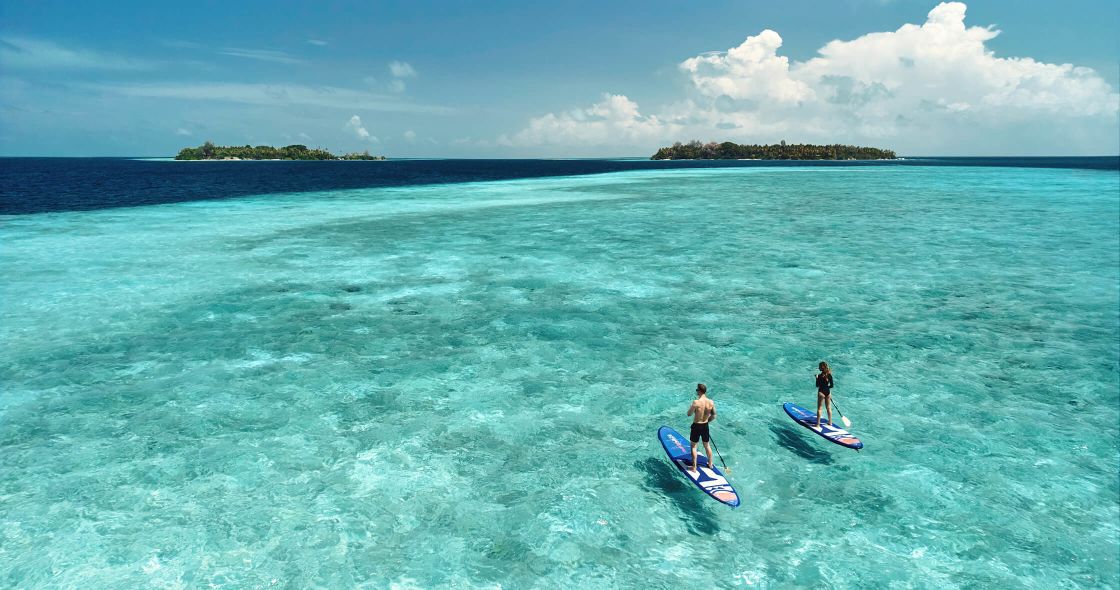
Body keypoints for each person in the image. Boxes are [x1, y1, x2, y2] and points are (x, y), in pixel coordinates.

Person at [686, 383, 716, 474]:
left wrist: (692, 408)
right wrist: (707, 422)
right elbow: (714, 416)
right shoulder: (711, 402)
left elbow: (689, 414)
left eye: (697, 390)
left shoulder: (696, 402)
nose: (696, 391)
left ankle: (694, 467)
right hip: (705, 426)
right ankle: (710, 464)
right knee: (707, 445)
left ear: (699, 391)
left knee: (693, 446)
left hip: (696, 426)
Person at [815, 361, 834, 428]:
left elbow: (817, 385)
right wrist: (827, 388)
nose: (818, 368)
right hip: (828, 392)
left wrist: (816, 378)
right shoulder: (829, 375)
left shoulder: (820, 376)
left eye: (819, 367)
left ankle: (818, 424)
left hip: (821, 392)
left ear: (821, 368)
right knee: (828, 408)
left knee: (819, 409)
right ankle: (830, 422)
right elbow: (831, 386)